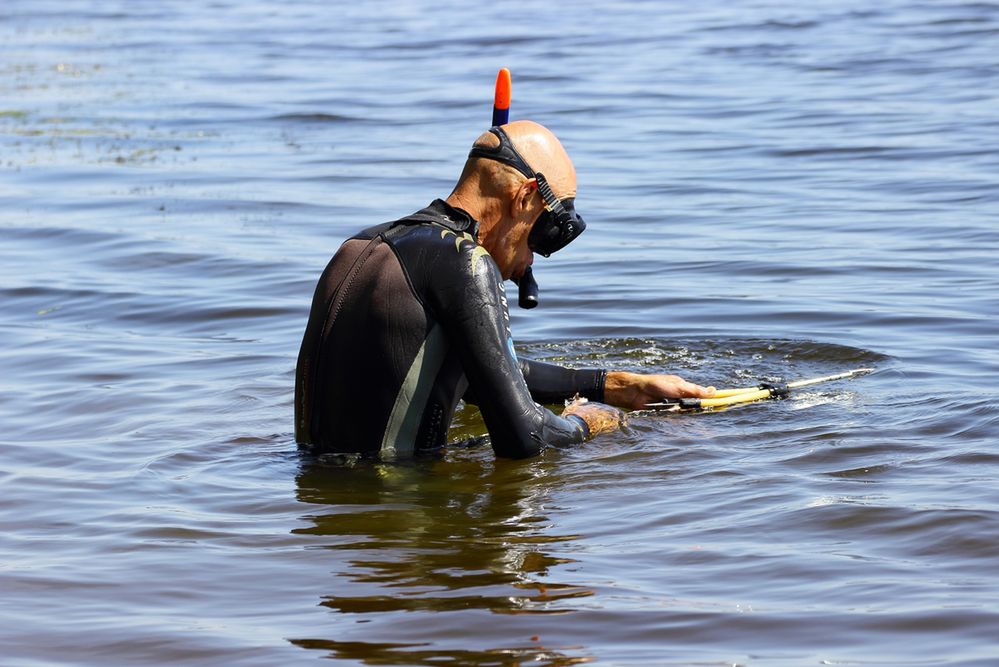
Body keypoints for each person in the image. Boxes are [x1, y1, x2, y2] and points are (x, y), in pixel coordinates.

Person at [295, 120, 714, 459]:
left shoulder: (360, 247)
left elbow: (485, 374)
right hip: (402, 522)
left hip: (335, 523)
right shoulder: (463, 261)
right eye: (548, 233)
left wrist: (617, 385)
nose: (533, 260)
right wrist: (592, 420)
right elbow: (526, 440)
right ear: (526, 196)